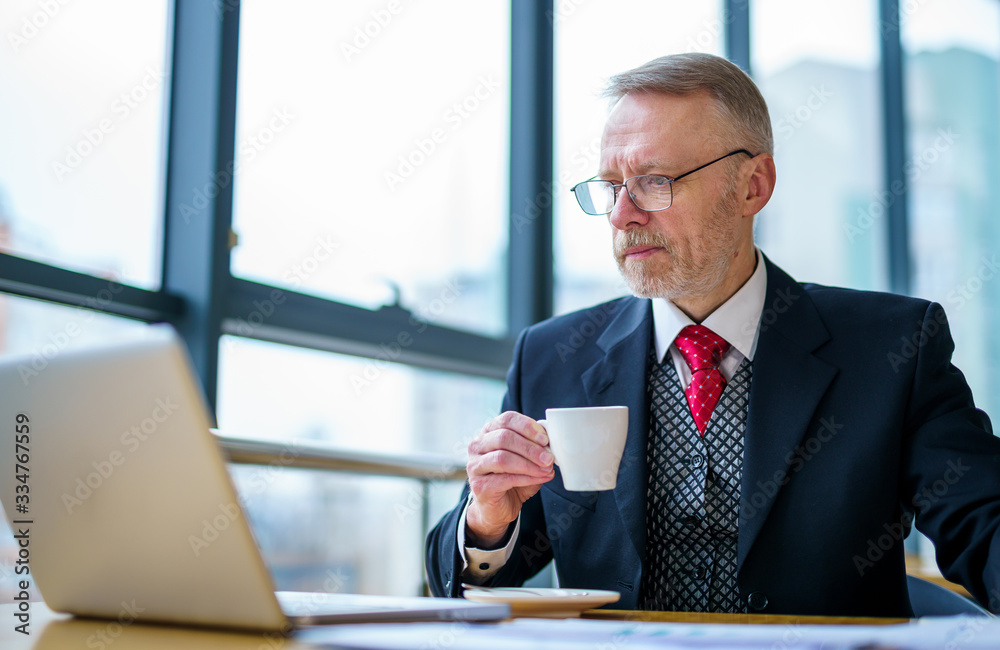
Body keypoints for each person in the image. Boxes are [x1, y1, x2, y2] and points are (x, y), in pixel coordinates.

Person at [425, 53, 1000, 617]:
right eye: (610, 186)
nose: (623, 214)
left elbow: (982, 522)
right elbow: (478, 576)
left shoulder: (892, 348)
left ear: (753, 186)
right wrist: (485, 521)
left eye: (654, 181)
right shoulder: (551, 357)